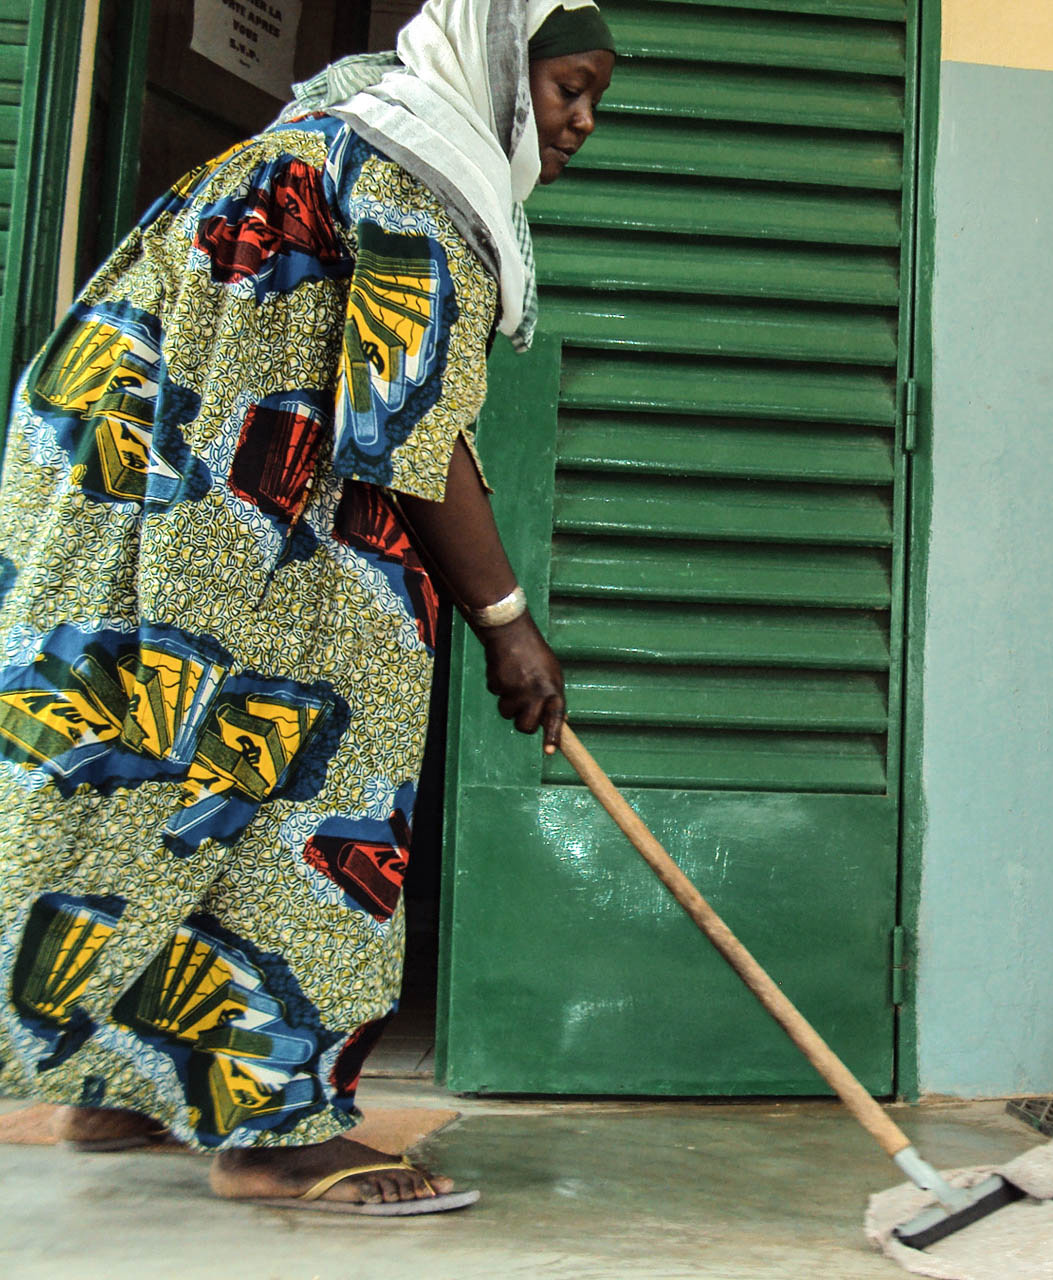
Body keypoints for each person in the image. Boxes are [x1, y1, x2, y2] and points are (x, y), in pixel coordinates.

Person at [0, 0, 613, 1215]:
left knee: (164, 770)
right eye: (568, 88)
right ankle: (275, 1134)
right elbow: (409, 436)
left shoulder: (332, 135)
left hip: (128, 505)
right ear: (498, 70)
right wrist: (509, 625)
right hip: (249, 527)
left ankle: (127, 1081)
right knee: (317, 777)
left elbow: (397, 404)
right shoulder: (419, 185)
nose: (583, 120)